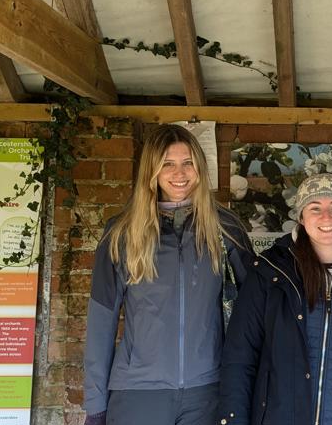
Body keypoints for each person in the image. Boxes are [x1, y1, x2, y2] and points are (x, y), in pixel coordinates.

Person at [82, 124, 254, 425]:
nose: (180, 173)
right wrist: (95, 404)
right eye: (168, 164)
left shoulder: (225, 228)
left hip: (208, 390)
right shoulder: (122, 232)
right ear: (152, 170)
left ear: (199, 167)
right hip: (138, 392)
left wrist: (248, 388)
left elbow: (254, 309)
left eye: (188, 163)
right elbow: (101, 320)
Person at [218, 173, 332, 425]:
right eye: (315, 208)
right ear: (301, 217)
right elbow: (240, 357)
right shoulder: (270, 273)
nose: (326, 217)